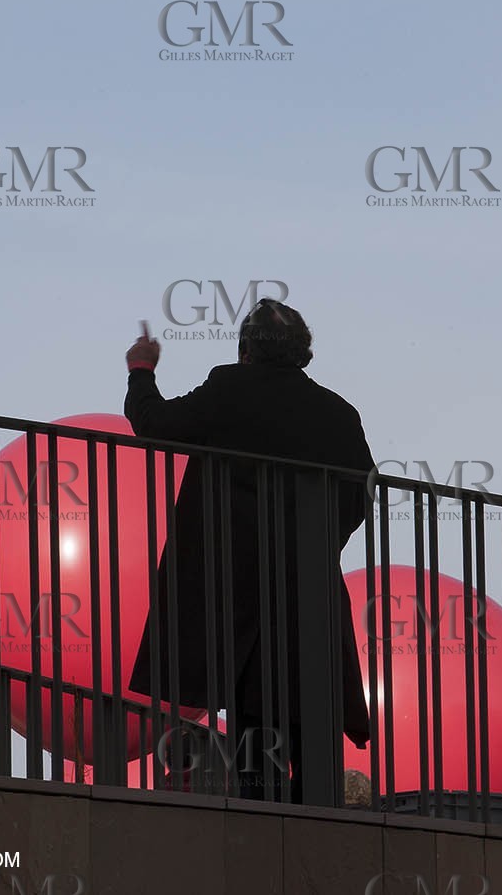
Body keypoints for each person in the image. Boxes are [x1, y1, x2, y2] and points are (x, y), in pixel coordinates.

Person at [123, 299, 374, 804]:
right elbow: (360, 493)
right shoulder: (338, 413)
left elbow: (156, 425)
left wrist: (142, 369)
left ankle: (262, 817)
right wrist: (322, 542)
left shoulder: (229, 388)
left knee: (252, 713)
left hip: (235, 587)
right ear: (304, 351)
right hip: (310, 590)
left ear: (245, 350)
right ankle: (319, 819)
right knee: (312, 704)